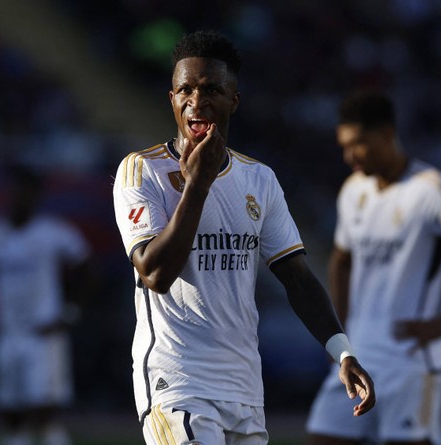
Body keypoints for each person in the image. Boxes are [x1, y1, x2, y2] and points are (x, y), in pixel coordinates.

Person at [112, 30, 375, 444]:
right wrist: (198, 183)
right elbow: (155, 274)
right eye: (185, 89)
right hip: (178, 385)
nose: (196, 101)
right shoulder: (142, 172)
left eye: (211, 89)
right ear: (172, 100)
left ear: (233, 100)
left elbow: (298, 278)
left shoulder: (259, 179)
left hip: (244, 391)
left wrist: (342, 352)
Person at [305, 91, 441, 445]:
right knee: (324, 437)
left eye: (359, 144)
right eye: (344, 146)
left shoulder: (432, 190)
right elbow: (341, 259)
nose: (349, 155)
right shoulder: (354, 189)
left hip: (409, 359)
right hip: (358, 355)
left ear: (386, 134)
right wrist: (338, 334)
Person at [0, 166, 91, 445]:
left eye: (26, 191)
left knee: (46, 411)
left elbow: (85, 269)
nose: (20, 197)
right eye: (15, 191)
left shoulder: (53, 232)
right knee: (10, 413)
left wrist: (69, 313)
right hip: (7, 332)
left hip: (43, 333)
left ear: (37, 196)